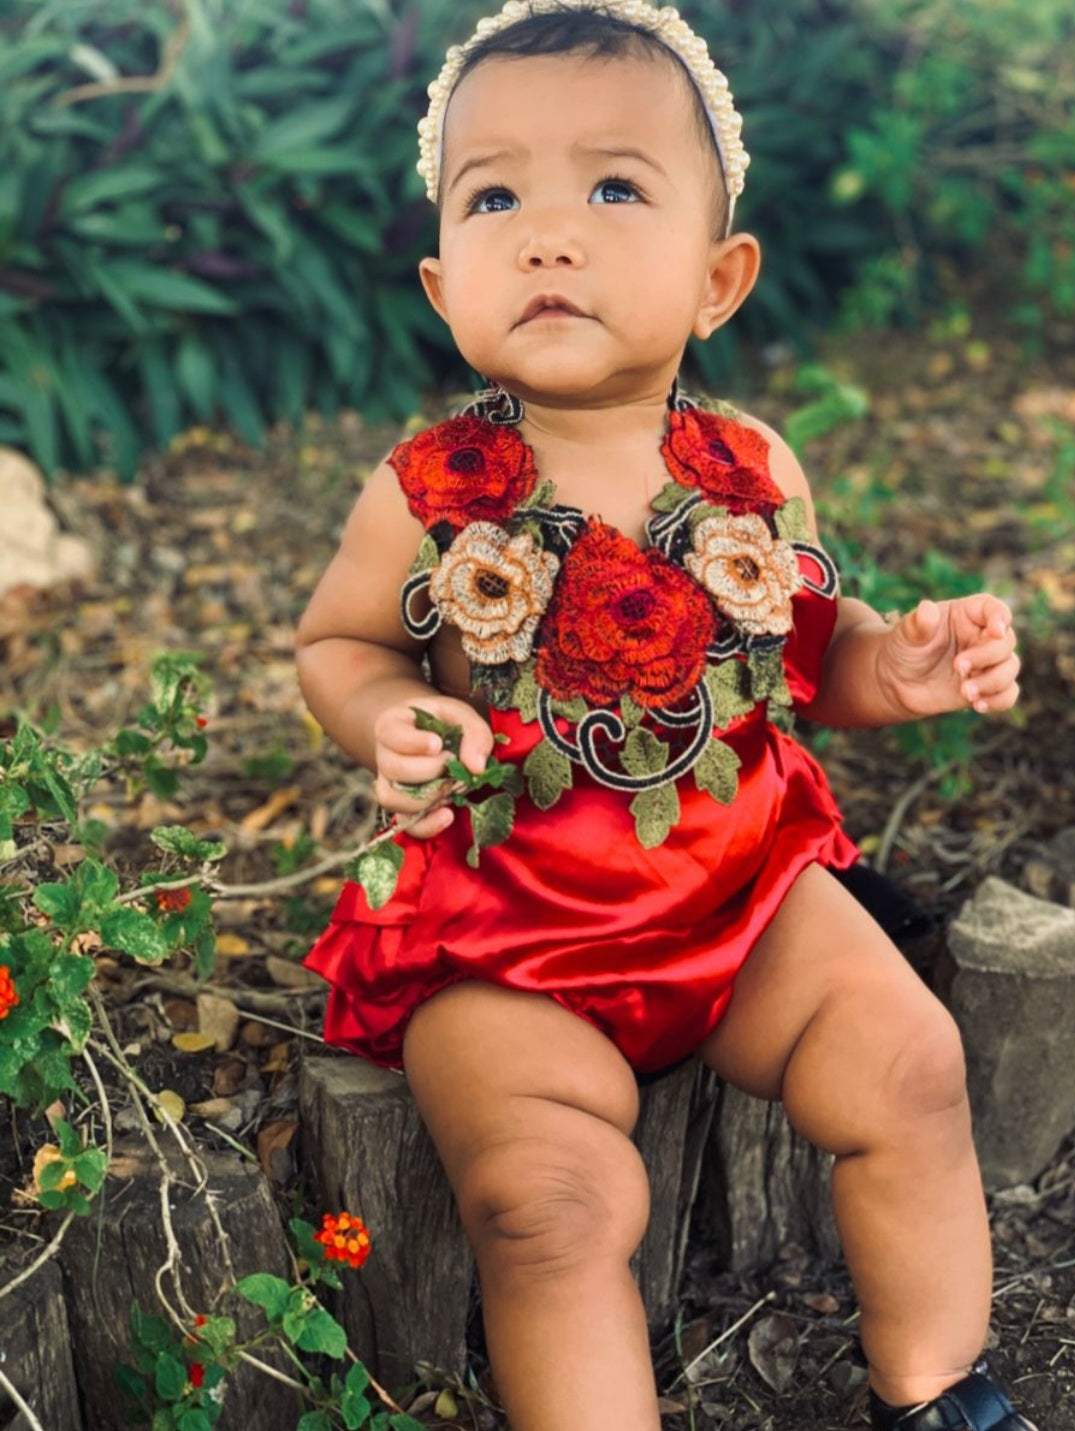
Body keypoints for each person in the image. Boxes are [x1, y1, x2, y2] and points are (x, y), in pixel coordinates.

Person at [295, 3, 1030, 1428]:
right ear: (446, 286)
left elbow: (816, 656)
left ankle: (938, 1386)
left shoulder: (752, 466)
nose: (550, 233)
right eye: (496, 193)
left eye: (615, 187)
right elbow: (338, 639)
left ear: (720, 275)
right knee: (551, 1203)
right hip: (504, 939)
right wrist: (384, 708)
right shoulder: (426, 491)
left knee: (912, 1062)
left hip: (742, 895)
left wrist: (906, 667)